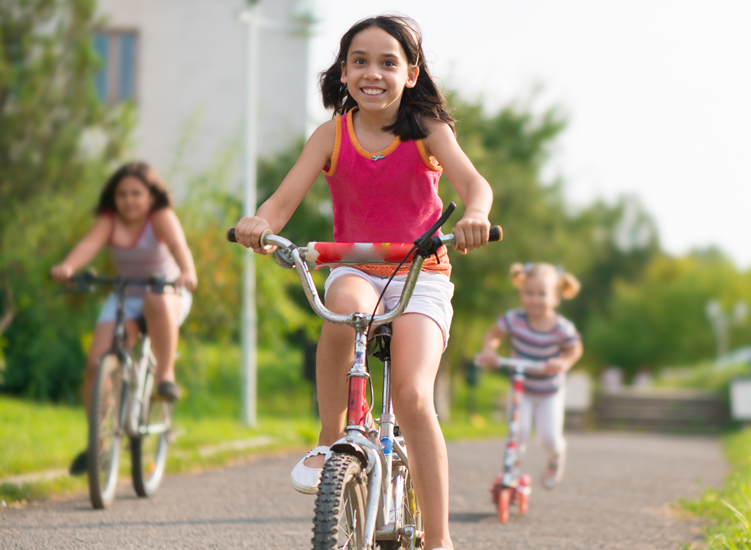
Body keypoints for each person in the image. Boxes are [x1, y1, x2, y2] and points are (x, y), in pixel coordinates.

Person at [231, 15, 493, 550]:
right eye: (360, 61)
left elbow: (473, 185)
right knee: (340, 310)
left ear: (411, 74)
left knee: (414, 395)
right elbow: (280, 204)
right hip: (355, 266)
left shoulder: (429, 133)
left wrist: (476, 215)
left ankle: (440, 540)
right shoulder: (331, 135)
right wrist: (260, 224)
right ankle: (333, 438)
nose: (372, 73)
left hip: (420, 273)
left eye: (388, 62)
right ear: (344, 73)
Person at [51, 161, 198, 475]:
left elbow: (178, 245)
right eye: (122, 194)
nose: (129, 200)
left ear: (150, 196)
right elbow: (88, 245)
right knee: (96, 363)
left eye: (136, 193)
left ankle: (165, 378)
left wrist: (187, 271)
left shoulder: (160, 217)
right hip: (127, 296)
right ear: (113, 198)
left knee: (156, 297)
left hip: (167, 293)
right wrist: (68, 267)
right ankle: (98, 444)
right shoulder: (109, 220)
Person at [474, 263, 584, 490]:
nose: (534, 299)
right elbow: (493, 334)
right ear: (521, 292)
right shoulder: (514, 319)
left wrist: (562, 362)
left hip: (548, 392)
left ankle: (556, 456)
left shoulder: (561, 328)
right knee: (518, 431)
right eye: (529, 293)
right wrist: (490, 350)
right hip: (521, 389)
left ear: (556, 297)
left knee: (548, 438)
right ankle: (511, 471)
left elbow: (575, 349)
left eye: (542, 294)